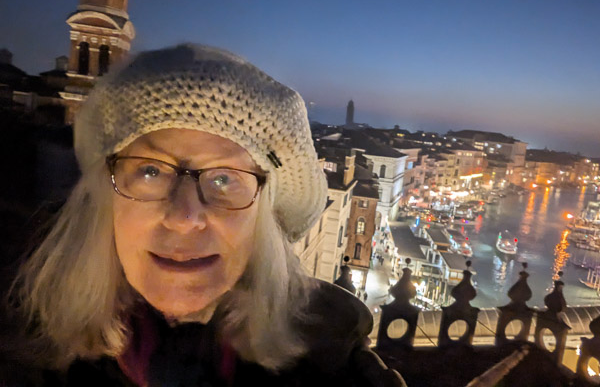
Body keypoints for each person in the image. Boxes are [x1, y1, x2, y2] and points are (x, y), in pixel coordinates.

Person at [2, 44, 405, 386]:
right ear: (106, 198)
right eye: (150, 171)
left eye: (225, 179)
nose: (184, 217)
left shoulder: (334, 366)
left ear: (264, 219)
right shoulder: (20, 356)